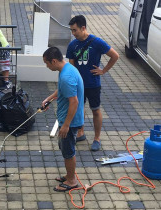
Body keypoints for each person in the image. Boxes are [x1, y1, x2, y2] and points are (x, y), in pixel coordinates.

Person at [66, 15, 119, 151]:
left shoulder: (97, 42)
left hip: (93, 84)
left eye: (75, 30)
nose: (73, 33)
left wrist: (104, 70)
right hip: (79, 85)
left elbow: (115, 55)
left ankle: (97, 138)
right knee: (79, 109)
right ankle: (80, 132)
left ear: (83, 28)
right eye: (71, 30)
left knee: (95, 110)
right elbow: (71, 67)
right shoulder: (72, 45)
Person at [42, 47, 84, 192]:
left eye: (47, 63)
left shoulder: (66, 77)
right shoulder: (67, 69)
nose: (47, 67)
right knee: (64, 147)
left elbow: (74, 102)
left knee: (68, 151)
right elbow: (61, 90)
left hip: (70, 122)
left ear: (53, 61)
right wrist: (49, 98)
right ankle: (69, 174)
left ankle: (72, 181)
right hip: (66, 119)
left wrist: (66, 125)